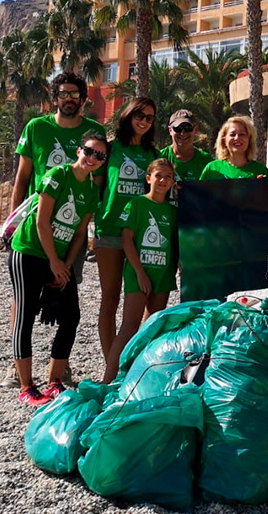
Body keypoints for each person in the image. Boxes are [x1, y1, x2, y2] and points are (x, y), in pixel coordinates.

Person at [2, 71, 105, 389]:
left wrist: (91, 233)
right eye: (64, 93)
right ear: (54, 96)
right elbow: (22, 177)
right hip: (36, 228)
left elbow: (96, 189)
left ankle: (61, 367)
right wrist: (12, 222)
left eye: (76, 94)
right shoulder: (36, 128)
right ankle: (16, 365)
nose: (70, 98)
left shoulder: (96, 134)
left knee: (65, 298)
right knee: (25, 301)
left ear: (84, 100)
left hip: (69, 232)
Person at [102, 159, 179, 382]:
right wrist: (140, 273)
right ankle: (108, 379)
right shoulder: (136, 204)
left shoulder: (172, 212)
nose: (163, 180)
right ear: (148, 178)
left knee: (153, 329)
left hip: (162, 275)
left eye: (168, 177)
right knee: (129, 327)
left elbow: (174, 244)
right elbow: (127, 240)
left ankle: (138, 378)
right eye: (159, 176)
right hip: (139, 274)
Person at [94, 97, 157, 365]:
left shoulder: (153, 155)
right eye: (139, 115)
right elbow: (96, 188)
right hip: (109, 230)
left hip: (140, 235)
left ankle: (132, 361)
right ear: (128, 115)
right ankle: (111, 362)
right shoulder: (109, 149)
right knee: (110, 299)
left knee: (138, 302)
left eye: (150, 117)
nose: (143, 121)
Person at [159, 109, 211, 203]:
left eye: (188, 128)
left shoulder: (207, 162)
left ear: (195, 129)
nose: (183, 133)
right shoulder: (159, 157)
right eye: (178, 128)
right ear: (170, 130)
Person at [199, 116, 268, 179]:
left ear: (249, 139)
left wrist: (264, 186)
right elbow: (198, 194)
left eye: (242, 134)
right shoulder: (212, 168)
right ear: (224, 139)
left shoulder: (260, 170)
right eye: (232, 134)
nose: (237, 138)